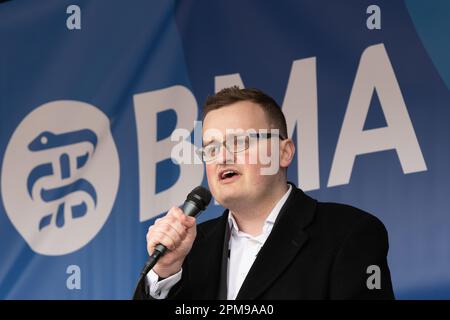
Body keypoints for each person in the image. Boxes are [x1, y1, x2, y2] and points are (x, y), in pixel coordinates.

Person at [133, 87, 395, 300]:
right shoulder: (189, 250)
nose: (222, 157)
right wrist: (165, 271)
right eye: (211, 149)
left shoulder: (348, 233)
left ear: (284, 152)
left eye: (238, 142)